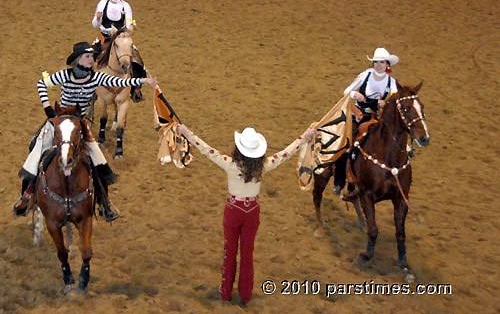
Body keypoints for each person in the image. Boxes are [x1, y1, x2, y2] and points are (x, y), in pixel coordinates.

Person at [13, 41, 158, 221]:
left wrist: (143, 80)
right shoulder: (64, 75)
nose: (92, 59)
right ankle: (26, 196)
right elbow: (41, 84)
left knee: (99, 160)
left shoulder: (97, 78)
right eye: (88, 56)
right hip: (59, 121)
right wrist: (48, 111)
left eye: (92, 56)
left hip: (79, 124)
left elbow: (120, 81)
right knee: (36, 150)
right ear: (79, 59)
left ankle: (104, 202)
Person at [177, 124, 316, 304]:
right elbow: (285, 153)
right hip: (252, 212)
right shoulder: (264, 166)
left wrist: (187, 133)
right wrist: (304, 136)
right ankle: (245, 294)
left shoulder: (229, 164)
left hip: (233, 210)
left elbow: (206, 149)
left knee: (230, 251)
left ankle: (225, 291)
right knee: (247, 254)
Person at [333, 47, 399, 195]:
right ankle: (339, 181)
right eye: (376, 62)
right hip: (358, 115)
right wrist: (355, 94)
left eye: (381, 62)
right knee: (346, 145)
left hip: (376, 118)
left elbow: (396, 100)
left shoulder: (392, 82)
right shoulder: (365, 75)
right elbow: (347, 91)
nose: (378, 65)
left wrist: (386, 104)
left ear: (387, 64)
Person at [91, 0, 146, 102]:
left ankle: (135, 90)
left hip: (120, 39)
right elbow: (95, 24)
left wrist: (127, 31)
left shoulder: (126, 6)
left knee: (137, 61)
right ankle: (90, 89)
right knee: (90, 57)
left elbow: (129, 24)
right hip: (104, 38)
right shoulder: (102, 4)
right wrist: (98, 18)